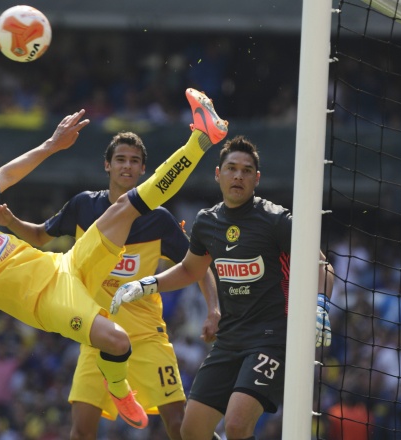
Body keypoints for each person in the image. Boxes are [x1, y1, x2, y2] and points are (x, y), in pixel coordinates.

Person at [0, 88, 228, 431]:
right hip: (48, 301)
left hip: (64, 264)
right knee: (117, 342)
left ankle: (202, 138)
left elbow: (6, 175)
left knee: (129, 205)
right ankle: (119, 389)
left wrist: (51, 144)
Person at [0, 130, 221, 439]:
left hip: (146, 337)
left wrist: (213, 310)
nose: (127, 166)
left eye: (134, 161)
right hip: (97, 334)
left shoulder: (160, 220)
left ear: (143, 169)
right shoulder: (84, 206)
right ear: (107, 165)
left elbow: (199, 266)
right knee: (81, 432)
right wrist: (11, 222)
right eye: (120, 159)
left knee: (179, 425)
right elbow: (40, 236)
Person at [111, 135, 335, 440]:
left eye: (246, 170)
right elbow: (191, 269)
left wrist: (321, 304)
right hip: (229, 340)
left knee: (236, 425)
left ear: (257, 179)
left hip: (271, 340)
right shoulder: (207, 222)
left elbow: (322, 266)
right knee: (191, 431)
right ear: (218, 174)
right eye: (231, 168)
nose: (238, 176)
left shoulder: (276, 220)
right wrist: (147, 284)